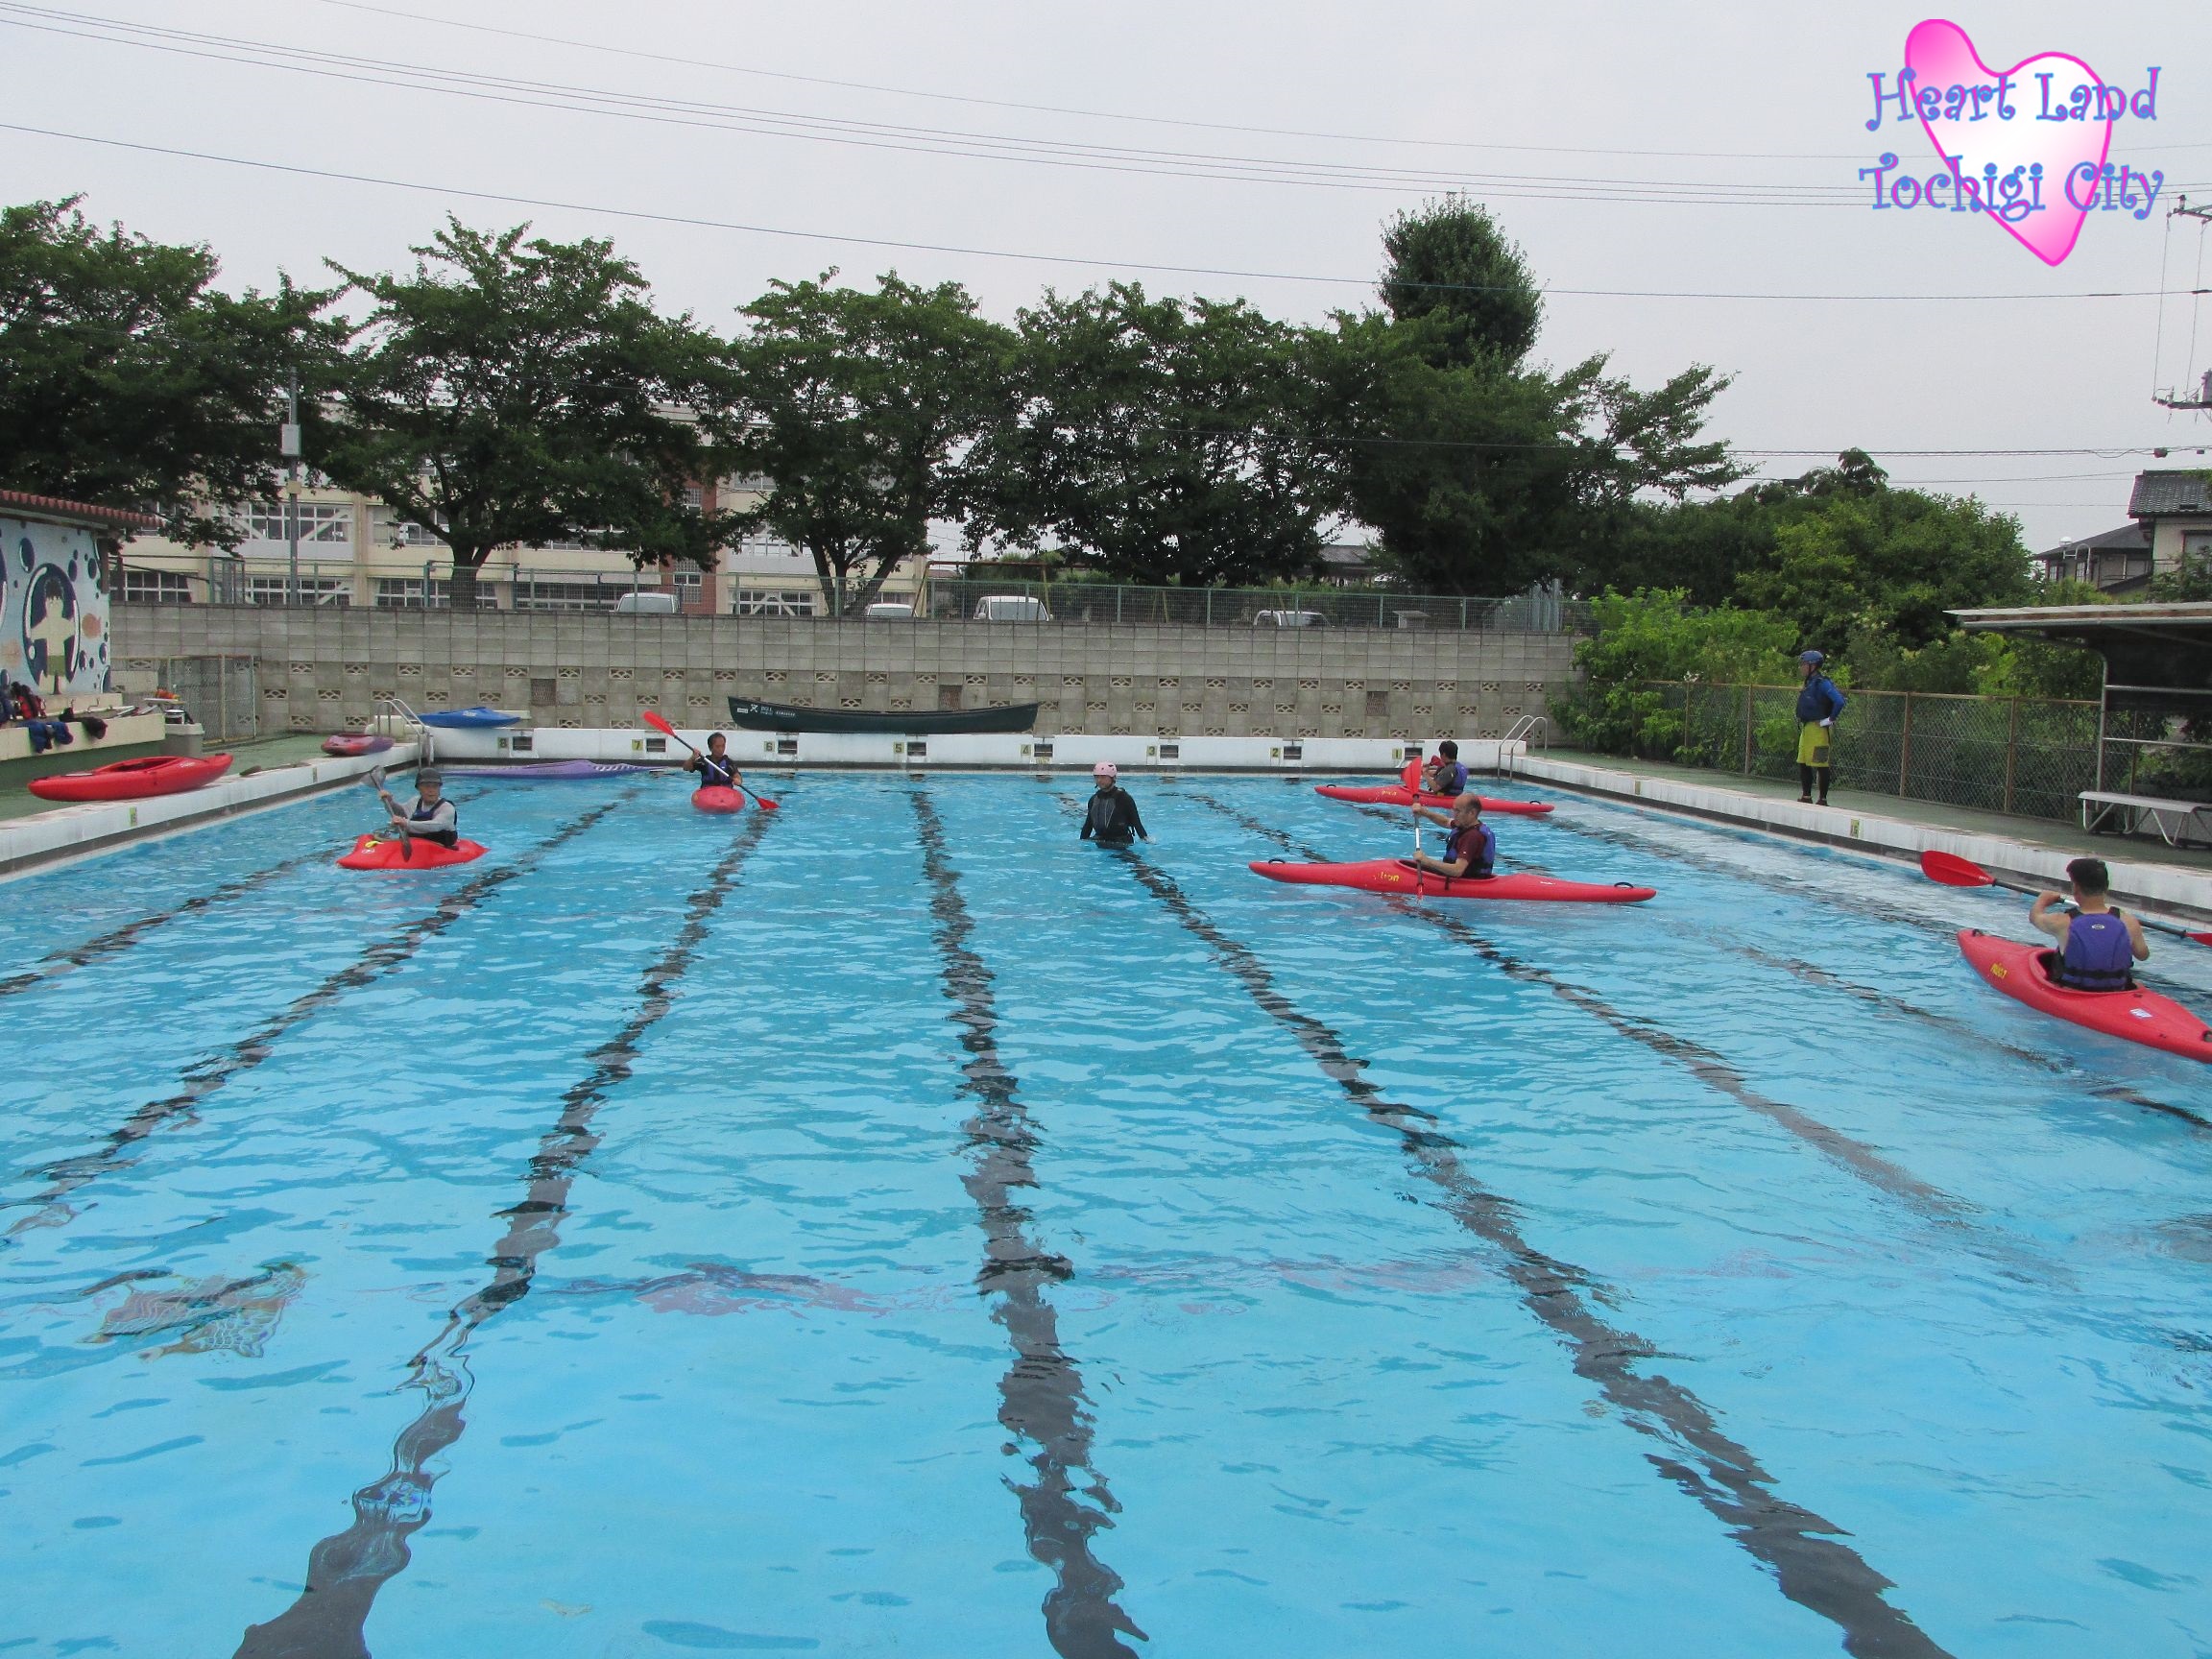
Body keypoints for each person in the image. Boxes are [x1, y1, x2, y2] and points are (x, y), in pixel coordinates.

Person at [2031, 856, 2149, 992]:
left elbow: (2034, 917)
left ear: (2075, 887)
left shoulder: (2062, 922)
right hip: (2118, 992)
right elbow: (2143, 955)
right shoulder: (2128, 921)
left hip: (2075, 993)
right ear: (2107, 886)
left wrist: (2043, 900)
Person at [1795, 651, 1847, 805]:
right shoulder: (1809, 682)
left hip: (1818, 729)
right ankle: (1806, 796)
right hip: (1807, 727)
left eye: (1804, 665)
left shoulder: (1822, 683)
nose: (1801, 668)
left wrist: (1828, 720)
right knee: (1803, 762)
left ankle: (1822, 799)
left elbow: (1839, 701)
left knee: (1820, 763)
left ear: (1813, 666)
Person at [1409, 793, 1495, 880]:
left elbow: (1458, 870)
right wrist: (1424, 813)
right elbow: (1445, 821)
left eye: (1458, 811)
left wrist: (1427, 861)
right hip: (1457, 877)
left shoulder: (1473, 836)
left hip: (1465, 881)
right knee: (1411, 866)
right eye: (1454, 810)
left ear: (1472, 813)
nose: (1454, 814)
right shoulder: (1466, 824)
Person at [374, 767, 459, 849]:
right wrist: (389, 802)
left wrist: (406, 823)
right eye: (427, 786)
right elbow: (401, 814)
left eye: (435, 786)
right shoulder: (415, 801)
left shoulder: (447, 808)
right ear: (419, 788)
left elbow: (434, 826)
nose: (431, 790)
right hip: (417, 846)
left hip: (440, 847)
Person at [1080, 762, 1148, 844]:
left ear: (1113, 778)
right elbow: (1088, 826)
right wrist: (1081, 843)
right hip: (1100, 840)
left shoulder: (1124, 798)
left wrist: (1146, 841)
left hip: (1121, 842)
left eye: (1103, 777)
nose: (1099, 780)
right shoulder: (1094, 799)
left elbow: (1137, 824)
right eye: (1097, 777)